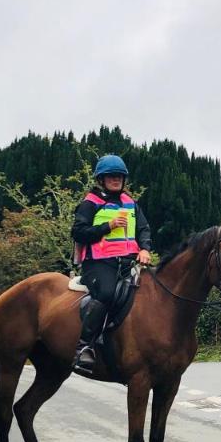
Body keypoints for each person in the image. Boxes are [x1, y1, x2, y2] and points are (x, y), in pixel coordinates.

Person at [70, 154, 153, 376]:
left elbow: (143, 229)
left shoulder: (131, 203)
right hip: (98, 263)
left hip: (128, 262)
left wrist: (144, 248)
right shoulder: (91, 202)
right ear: (102, 179)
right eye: (110, 176)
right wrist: (108, 225)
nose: (115, 179)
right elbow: (78, 232)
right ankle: (84, 346)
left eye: (119, 176)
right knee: (106, 293)